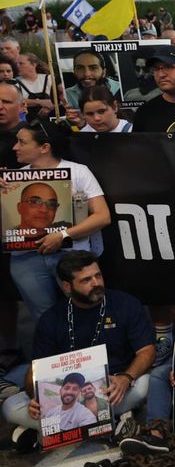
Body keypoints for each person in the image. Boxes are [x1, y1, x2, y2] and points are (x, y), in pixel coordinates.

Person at [0, 251, 160, 454]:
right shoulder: (51, 319)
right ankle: (113, 422)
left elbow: (147, 351)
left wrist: (126, 378)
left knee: (147, 384)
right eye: (86, 279)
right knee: (10, 406)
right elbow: (35, 370)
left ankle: (45, 431)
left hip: (116, 388)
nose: (96, 283)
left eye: (98, 275)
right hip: (66, 396)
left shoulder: (125, 304)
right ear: (67, 286)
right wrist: (37, 398)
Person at [8, 120, 111, 325]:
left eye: (21, 142)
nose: (15, 147)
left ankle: (94, 355)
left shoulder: (78, 172)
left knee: (88, 313)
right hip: (26, 258)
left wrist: (63, 235)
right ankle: (53, 355)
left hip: (72, 255)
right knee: (44, 320)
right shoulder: (14, 179)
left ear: (44, 147)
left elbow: (102, 216)